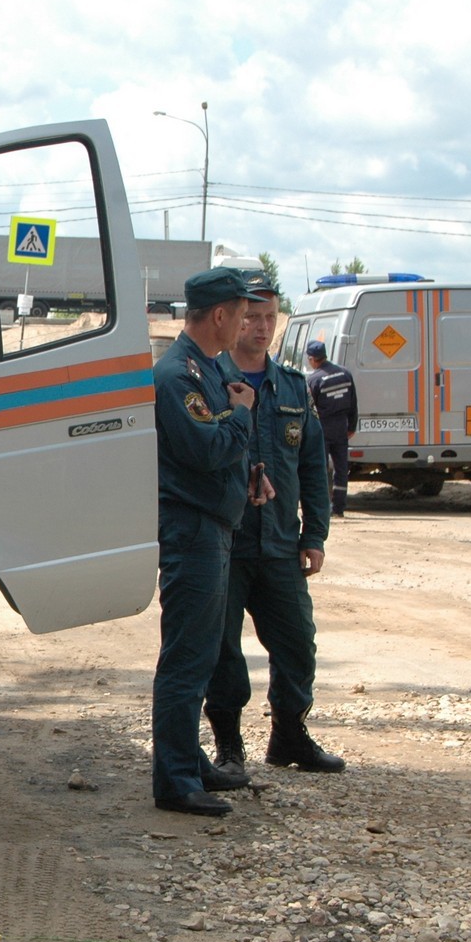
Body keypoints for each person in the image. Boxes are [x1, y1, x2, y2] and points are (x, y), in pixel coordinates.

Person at [205, 279, 346, 776]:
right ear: (232, 317)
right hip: (225, 542)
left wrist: (315, 536)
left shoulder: (291, 386)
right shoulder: (209, 378)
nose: (262, 328)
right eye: (252, 317)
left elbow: (314, 466)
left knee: (297, 644)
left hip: (281, 544)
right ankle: (228, 745)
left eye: (270, 318)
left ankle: (289, 734)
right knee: (222, 649)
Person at [151, 267, 271, 817]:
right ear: (219, 315)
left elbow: (222, 448)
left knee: (200, 657)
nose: (248, 322)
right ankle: (174, 779)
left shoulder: (206, 368)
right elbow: (205, 449)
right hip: (192, 529)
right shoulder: (178, 375)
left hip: (214, 525)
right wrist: (243, 415)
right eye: (243, 313)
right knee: (185, 656)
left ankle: (190, 761)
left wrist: (251, 472)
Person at [305, 340, 358, 517]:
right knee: (341, 468)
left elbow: (310, 409)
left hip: (323, 429)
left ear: (312, 359)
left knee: (321, 468)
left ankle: (321, 507)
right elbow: (353, 403)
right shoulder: (345, 374)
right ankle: (338, 509)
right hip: (341, 428)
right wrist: (352, 426)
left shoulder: (314, 379)